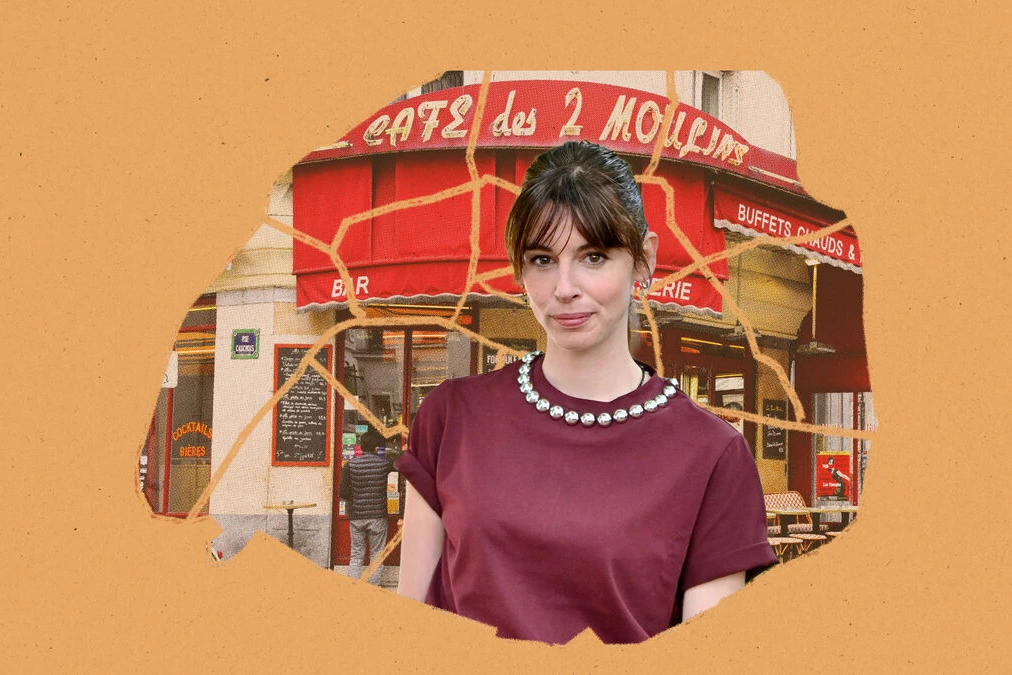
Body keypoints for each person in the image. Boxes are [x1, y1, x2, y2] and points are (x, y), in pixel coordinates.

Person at [394, 140, 776, 644]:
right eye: (542, 259)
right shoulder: (451, 418)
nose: (564, 287)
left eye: (593, 256)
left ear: (643, 259)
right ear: (520, 269)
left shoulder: (712, 454)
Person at [338, 427, 395, 585]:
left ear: (361, 447)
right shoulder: (383, 463)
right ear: (377, 448)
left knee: (356, 555)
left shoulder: (350, 465)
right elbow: (401, 463)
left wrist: (356, 500)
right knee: (377, 555)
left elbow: (343, 492)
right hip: (378, 516)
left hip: (357, 516)